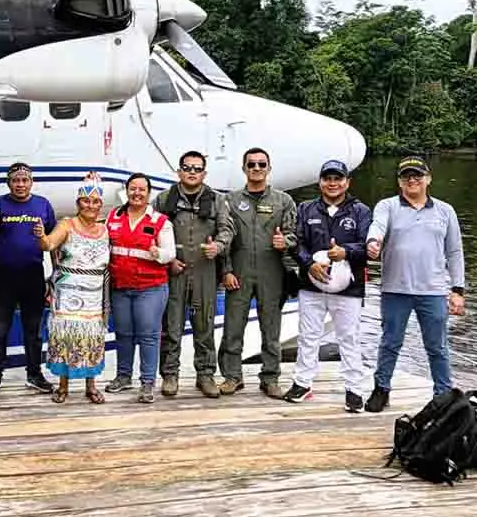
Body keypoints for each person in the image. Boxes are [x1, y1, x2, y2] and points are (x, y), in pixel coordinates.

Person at [365, 156, 465, 411]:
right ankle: (382, 389)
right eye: (406, 176)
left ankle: (443, 395)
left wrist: (457, 290)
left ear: (428, 179)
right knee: (390, 342)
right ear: (399, 181)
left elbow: (454, 252)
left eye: (417, 175)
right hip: (394, 289)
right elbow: (377, 226)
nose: (412, 180)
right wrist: (373, 242)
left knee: (437, 346)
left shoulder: (445, 211)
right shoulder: (387, 206)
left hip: (433, 291)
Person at [283, 160, 371, 413]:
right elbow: (295, 242)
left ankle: (354, 389)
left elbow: (368, 247)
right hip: (311, 285)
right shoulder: (305, 208)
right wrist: (309, 263)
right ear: (320, 182)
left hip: (349, 289)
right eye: (327, 178)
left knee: (349, 338)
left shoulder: (361, 211)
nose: (332, 183)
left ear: (347, 182)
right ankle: (302, 383)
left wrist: (345, 252)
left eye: (338, 178)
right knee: (308, 336)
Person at [153, 151, 234, 399]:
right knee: (171, 325)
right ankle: (170, 374)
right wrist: (168, 260)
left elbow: (227, 229)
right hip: (174, 270)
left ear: (204, 173)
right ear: (179, 171)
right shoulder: (164, 199)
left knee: (204, 324)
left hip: (204, 269)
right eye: (187, 168)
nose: (192, 172)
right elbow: (151, 232)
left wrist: (217, 247)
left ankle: (206, 374)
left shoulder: (217, 199)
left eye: (197, 169)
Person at [218, 147, 297, 398]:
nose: (256, 169)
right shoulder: (229, 200)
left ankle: (271, 377)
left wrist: (286, 242)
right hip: (238, 272)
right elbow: (224, 238)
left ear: (269, 169)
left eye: (262, 164)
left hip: (271, 272)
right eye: (251, 164)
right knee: (233, 327)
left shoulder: (283, 201)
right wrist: (226, 271)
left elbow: (295, 234)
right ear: (244, 169)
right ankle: (232, 376)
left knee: (271, 328)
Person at [0, 163, 57, 395]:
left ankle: (34, 374)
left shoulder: (43, 205)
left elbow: (52, 240)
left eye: (24, 180)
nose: (20, 184)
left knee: (33, 330)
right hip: (4, 276)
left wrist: (55, 272)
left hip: (33, 275)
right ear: (8, 183)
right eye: (15, 180)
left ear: (31, 182)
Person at [37, 173, 110, 404]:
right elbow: (49, 244)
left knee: (92, 339)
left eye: (96, 201)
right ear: (78, 203)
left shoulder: (105, 229)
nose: (91, 205)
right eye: (86, 201)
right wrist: (40, 236)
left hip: (95, 294)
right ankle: (63, 386)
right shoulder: (66, 224)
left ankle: (91, 386)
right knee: (67, 337)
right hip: (68, 294)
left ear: (101, 205)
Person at [105, 173, 175, 404]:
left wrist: (159, 254)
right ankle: (123, 376)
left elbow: (170, 253)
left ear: (148, 193)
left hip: (150, 288)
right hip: (121, 287)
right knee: (123, 334)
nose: (136, 193)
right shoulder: (113, 217)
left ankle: (147, 383)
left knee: (148, 335)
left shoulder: (160, 221)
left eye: (141, 190)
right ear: (126, 191)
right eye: (132, 189)